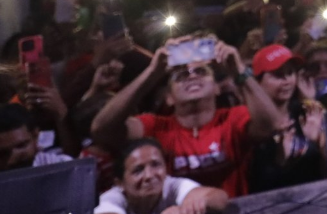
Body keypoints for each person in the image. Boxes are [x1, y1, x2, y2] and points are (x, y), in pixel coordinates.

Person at [90, 34, 280, 197]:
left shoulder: (232, 118)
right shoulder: (155, 127)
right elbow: (102, 129)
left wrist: (237, 68)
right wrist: (152, 73)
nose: (191, 76)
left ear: (216, 88)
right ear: (169, 98)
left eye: (201, 71)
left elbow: (272, 125)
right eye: (181, 75)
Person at [248, 45, 325, 192]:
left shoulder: (305, 113)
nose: (287, 80)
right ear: (258, 82)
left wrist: (319, 142)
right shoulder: (251, 122)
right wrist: (280, 161)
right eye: (277, 75)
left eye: (290, 73)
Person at [95, 137, 229, 214]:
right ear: (120, 183)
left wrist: (195, 204)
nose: (149, 175)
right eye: (138, 170)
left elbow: (219, 198)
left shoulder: (172, 185)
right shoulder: (110, 199)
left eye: (156, 165)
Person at [0, 103, 73, 170]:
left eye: (21, 146)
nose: (12, 160)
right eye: (3, 153)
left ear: (35, 136)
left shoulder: (61, 166)